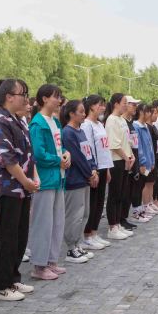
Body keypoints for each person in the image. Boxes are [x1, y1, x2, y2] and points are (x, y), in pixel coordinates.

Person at [0, 79, 38, 301]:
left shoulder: (19, 120)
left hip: (23, 187)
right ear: (9, 96)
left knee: (20, 235)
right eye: (22, 94)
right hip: (8, 187)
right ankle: (2, 285)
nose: (25, 98)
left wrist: (32, 179)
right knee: (7, 237)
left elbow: (29, 153)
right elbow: (5, 158)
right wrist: (25, 181)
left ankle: (13, 277)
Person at [28, 84, 70, 281]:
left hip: (58, 177)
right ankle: (39, 265)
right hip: (45, 179)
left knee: (57, 222)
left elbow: (61, 147)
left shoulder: (55, 121)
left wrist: (66, 155)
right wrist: (58, 159)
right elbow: (38, 153)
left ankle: (51, 260)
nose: (59, 100)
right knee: (43, 223)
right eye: (55, 96)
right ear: (44, 99)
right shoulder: (37, 124)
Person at [60, 99, 97, 264]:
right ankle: (71, 248)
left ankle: (77, 243)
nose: (84, 114)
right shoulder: (68, 133)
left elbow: (88, 153)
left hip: (85, 179)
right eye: (81, 111)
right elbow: (77, 157)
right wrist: (90, 174)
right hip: (75, 180)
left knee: (84, 213)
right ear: (71, 113)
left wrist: (94, 169)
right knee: (74, 215)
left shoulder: (80, 131)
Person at [80, 95, 113, 251]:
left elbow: (104, 148)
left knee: (100, 202)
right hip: (94, 168)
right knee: (92, 203)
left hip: (103, 166)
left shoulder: (99, 124)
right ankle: (87, 235)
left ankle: (94, 232)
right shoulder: (87, 125)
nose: (103, 108)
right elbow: (88, 149)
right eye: (100, 105)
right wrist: (92, 170)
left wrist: (107, 169)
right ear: (92, 106)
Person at [104, 93, 135, 239]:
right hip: (116, 160)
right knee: (114, 194)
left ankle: (118, 223)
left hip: (125, 159)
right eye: (124, 102)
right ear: (116, 104)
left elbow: (126, 141)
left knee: (121, 194)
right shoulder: (111, 120)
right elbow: (114, 144)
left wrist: (131, 155)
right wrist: (126, 157)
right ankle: (112, 227)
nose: (126, 105)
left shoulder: (121, 119)